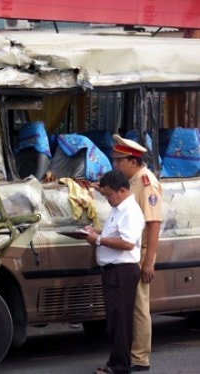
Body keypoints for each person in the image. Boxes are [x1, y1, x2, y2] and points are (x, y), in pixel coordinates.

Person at [85, 170, 145, 374]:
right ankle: (117, 362)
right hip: (113, 271)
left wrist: (99, 240)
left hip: (123, 270)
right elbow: (115, 233)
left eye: (109, 195)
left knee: (121, 321)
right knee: (114, 319)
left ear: (122, 190)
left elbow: (128, 243)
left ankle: (119, 365)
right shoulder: (119, 208)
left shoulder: (130, 211)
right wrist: (95, 233)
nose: (107, 199)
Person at [112, 134, 163, 372]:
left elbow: (154, 224)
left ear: (132, 161)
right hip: (132, 249)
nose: (115, 165)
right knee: (131, 304)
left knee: (139, 305)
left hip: (141, 250)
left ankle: (140, 357)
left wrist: (149, 261)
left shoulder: (146, 183)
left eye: (118, 161)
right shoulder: (132, 180)